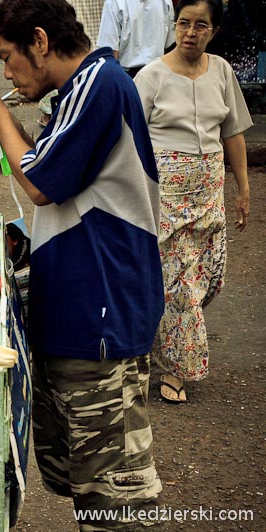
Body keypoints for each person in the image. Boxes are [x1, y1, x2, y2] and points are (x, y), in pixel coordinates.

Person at [0, 0, 164, 529]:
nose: (6, 71)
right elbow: (50, 170)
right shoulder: (80, 90)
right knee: (86, 483)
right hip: (79, 315)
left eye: (9, 56)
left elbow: (42, 184)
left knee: (114, 498)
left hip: (102, 314)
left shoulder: (101, 81)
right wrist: (10, 135)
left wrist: (0, 117)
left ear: (41, 42)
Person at [134, 0, 252, 404]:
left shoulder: (222, 71)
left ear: (214, 31)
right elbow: (130, 141)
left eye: (200, 25)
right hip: (165, 196)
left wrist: (243, 189)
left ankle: (150, 346)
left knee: (208, 278)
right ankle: (176, 369)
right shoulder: (151, 76)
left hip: (209, 193)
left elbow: (233, 132)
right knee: (178, 284)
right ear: (175, 24)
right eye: (183, 23)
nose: (190, 32)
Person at [97, 0, 175, 78]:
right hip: (156, 73)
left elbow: (111, 53)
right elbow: (168, 46)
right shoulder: (165, 1)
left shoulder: (114, 2)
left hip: (130, 76)